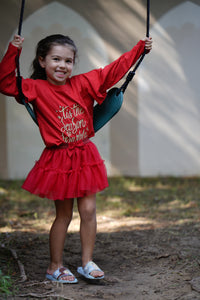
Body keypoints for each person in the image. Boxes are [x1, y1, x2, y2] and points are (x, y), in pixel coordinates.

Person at [0, 33, 152, 283]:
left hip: (84, 155)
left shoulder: (83, 83)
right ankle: (54, 267)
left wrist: (139, 49)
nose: (62, 65)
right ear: (42, 61)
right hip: (59, 159)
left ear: (73, 64)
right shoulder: (34, 88)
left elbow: (113, 71)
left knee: (90, 210)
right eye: (56, 59)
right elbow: (5, 83)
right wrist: (12, 51)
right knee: (64, 215)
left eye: (68, 61)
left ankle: (86, 262)